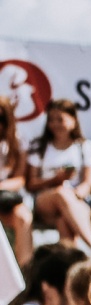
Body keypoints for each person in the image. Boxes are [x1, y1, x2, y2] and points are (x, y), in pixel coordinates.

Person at [27, 100, 91, 256]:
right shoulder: (39, 146)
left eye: (60, 119)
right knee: (61, 193)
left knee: (64, 221)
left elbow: (90, 180)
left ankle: (69, 264)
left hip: (74, 201)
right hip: (46, 200)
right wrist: (56, 179)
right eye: (51, 120)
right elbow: (31, 183)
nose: (55, 124)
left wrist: (76, 194)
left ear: (73, 121)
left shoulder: (84, 146)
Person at [0, 100, 32, 266]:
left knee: (23, 217)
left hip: (7, 199)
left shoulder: (18, 141)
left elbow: (20, 179)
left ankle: (25, 271)